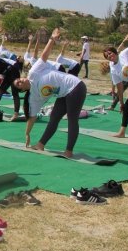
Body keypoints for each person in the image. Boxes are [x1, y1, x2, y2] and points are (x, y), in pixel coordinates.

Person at [15, 28, 87, 158]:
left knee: (72, 119)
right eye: (18, 83)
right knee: (54, 117)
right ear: (21, 90)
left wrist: (52, 39)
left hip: (75, 86)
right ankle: (41, 144)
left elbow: (44, 56)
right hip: (64, 94)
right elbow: (32, 117)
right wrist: (27, 133)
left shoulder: (33, 73)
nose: (21, 80)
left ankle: (69, 151)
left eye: (19, 79)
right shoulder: (34, 97)